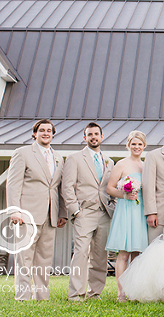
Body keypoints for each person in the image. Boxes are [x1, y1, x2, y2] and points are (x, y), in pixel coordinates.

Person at [6, 119, 67, 301]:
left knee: (44, 259)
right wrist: (14, 210)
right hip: (27, 215)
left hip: (50, 216)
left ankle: (41, 295)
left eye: (49, 130)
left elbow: (59, 187)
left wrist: (62, 213)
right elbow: (13, 184)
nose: (46, 133)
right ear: (35, 133)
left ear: (53, 134)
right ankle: (23, 296)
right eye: (42, 130)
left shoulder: (58, 157)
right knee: (24, 259)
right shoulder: (22, 153)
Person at [62, 122, 116, 301]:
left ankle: (95, 293)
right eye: (90, 134)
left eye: (96, 134)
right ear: (84, 138)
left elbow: (111, 187)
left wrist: (113, 208)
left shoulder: (109, 161)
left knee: (100, 256)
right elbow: (67, 187)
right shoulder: (75, 158)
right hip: (84, 212)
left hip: (104, 214)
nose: (93, 137)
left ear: (102, 137)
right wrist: (75, 211)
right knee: (80, 253)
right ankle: (76, 293)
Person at [105, 130, 149, 301]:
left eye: (140, 144)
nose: (136, 147)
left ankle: (134, 291)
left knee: (137, 254)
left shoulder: (146, 166)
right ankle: (121, 292)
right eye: (133, 144)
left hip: (140, 211)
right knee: (123, 253)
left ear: (144, 146)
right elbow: (110, 188)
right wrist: (124, 195)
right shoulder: (121, 165)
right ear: (128, 145)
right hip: (126, 210)